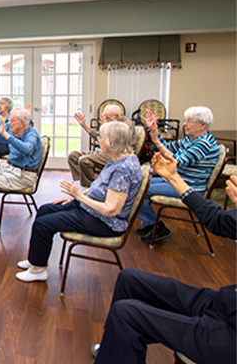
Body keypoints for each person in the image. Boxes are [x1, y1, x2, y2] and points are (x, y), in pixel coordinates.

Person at [91, 151, 236, 364]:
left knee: (126, 314)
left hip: (229, 335)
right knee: (129, 279)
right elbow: (216, 220)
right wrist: (173, 177)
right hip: (225, 303)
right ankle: (114, 346)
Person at [16, 122, 142, 282]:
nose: (98, 141)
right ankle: (36, 258)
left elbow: (111, 210)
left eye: (101, 138)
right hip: (91, 207)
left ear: (112, 142)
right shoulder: (117, 158)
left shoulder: (123, 170)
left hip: (104, 221)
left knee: (44, 224)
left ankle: (38, 270)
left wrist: (78, 196)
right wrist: (77, 196)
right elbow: (100, 185)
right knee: (44, 210)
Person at [136, 106, 219, 243]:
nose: (185, 124)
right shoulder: (191, 139)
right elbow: (168, 148)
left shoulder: (203, 144)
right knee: (137, 182)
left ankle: (154, 226)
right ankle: (151, 224)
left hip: (189, 187)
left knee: (138, 188)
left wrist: (158, 144)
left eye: (189, 121)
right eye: (185, 120)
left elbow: (176, 163)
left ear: (203, 125)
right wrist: (155, 133)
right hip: (176, 180)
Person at [68, 104, 136, 188]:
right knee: (73, 156)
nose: (106, 120)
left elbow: (115, 144)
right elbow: (98, 137)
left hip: (115, 154)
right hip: (103, 152)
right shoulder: (112, 123)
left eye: (107, 118)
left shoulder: (126, 125)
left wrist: (106, 127)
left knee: (84, 160)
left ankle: (90, 189)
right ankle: (79, 184)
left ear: (117, 115)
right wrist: (84, 125)